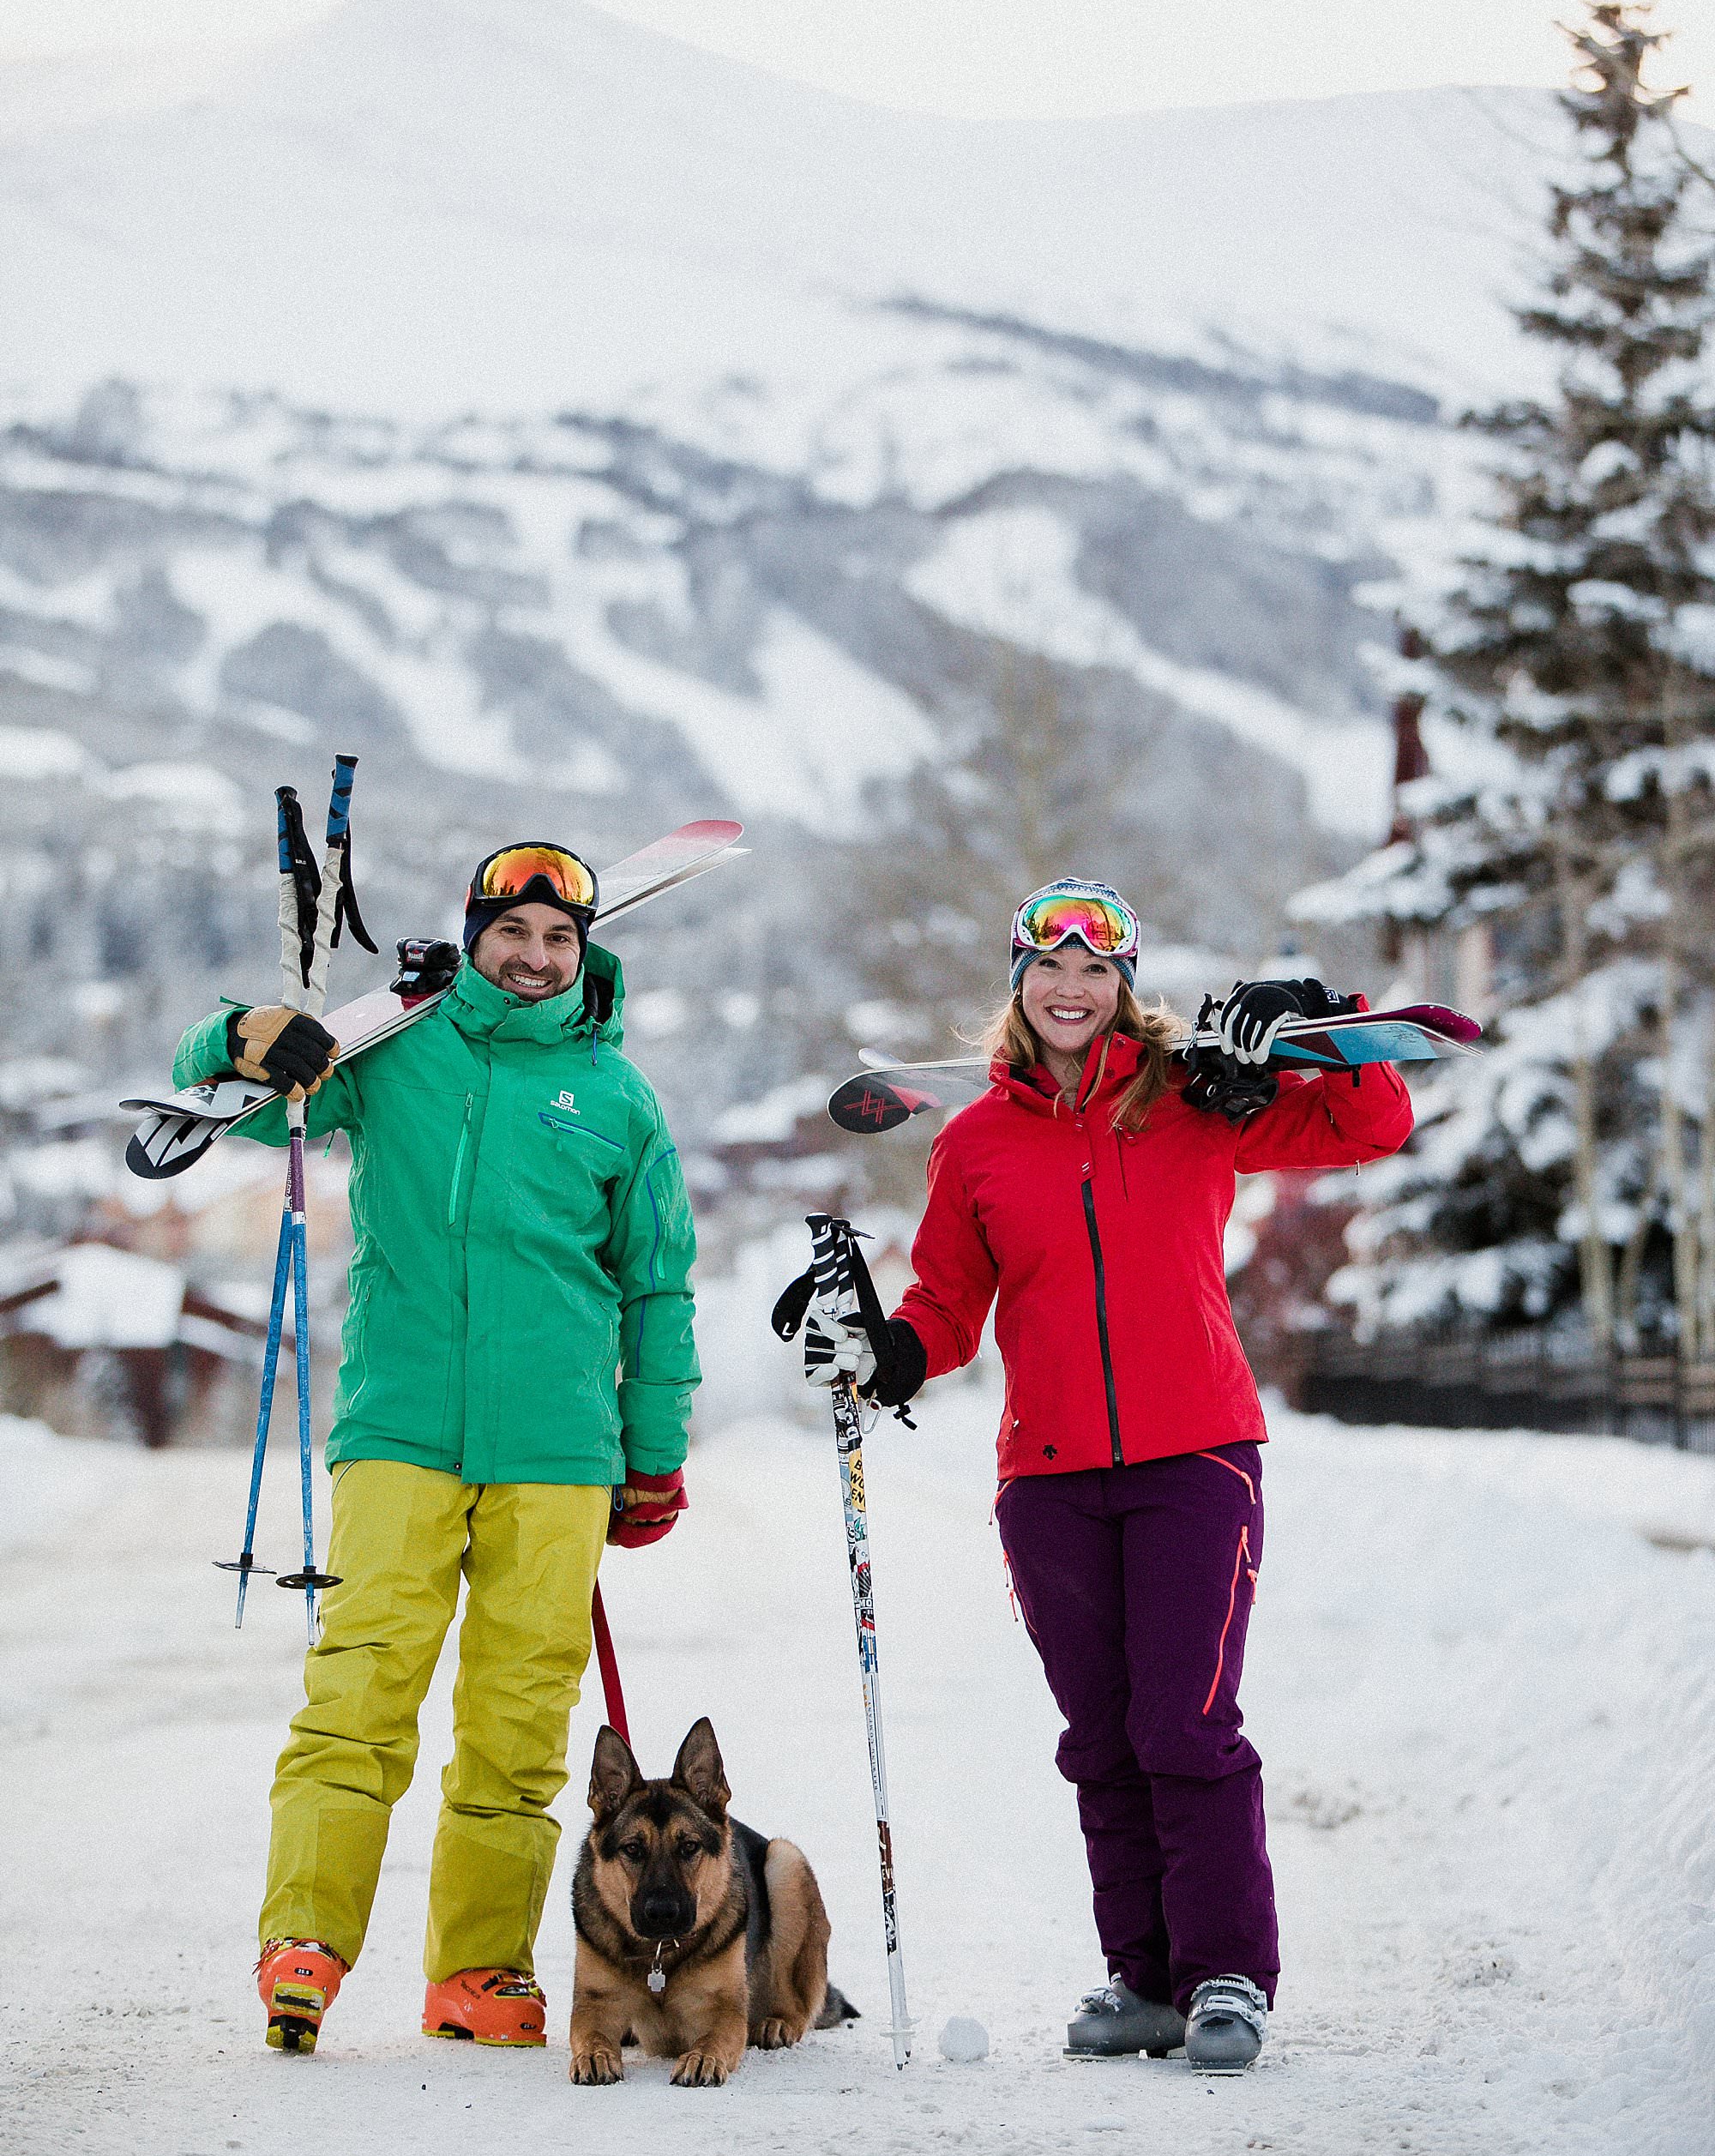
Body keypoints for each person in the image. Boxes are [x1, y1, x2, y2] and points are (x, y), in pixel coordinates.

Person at [805, 879, 1411, 2073]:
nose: (1072, 986)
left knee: (1184, 1722)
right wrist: (879, 1353)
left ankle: (1225, 1973)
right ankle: (1142, 1977)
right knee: (1101, 1734)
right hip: (1048, 1477)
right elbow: (946, 1306)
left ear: (1124, 984)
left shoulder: (1197, 1098)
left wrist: (1328, 1024)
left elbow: (1371, 1126)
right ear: (1019, 982)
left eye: (1096, 968)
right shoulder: (975, 1139)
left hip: (1197, 1459)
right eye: (1049, 966)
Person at [172, 842, 697, 2054]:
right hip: (402, 1425)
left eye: (557, 939)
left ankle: (479, 1970)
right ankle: (303, 1941)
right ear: (473, 938)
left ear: (585, 955)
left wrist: (652, 1452)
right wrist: (245, 1033)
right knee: (361, 1688)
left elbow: (657, 1290)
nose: (532, 956)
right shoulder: (392, 1051)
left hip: (560, 1451)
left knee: (519, 1724)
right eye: (511, 933)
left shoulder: (619, 1099)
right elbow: (236, 1101)